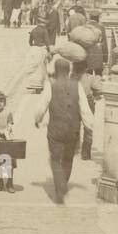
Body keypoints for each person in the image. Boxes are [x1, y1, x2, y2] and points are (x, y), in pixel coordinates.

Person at [35, 56, 96, 204]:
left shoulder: (51, 85)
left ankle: (59, 188)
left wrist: (37, 119)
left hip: (55, 129)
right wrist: (90, 127)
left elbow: (42, 105)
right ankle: (63, 184)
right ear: (69, 70)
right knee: (68, 159)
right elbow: (85, 109)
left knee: (55, 159)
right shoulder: (77, 86)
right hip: (73, 130)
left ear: (55, 70)